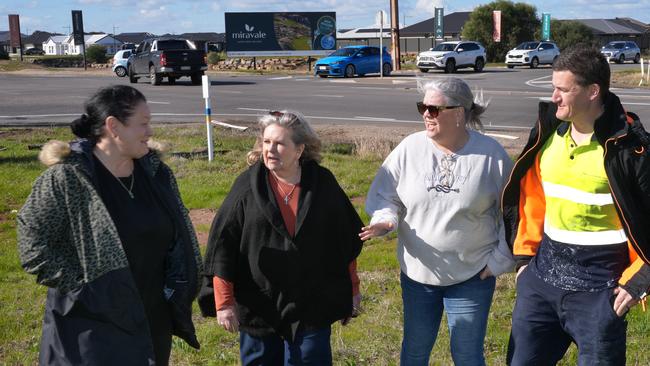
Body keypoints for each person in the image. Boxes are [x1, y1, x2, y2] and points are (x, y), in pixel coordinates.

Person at [17, 85, 203, 365]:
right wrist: (86, 290)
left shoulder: (156, 173)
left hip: (152, 318)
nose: (150, 131)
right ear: (113, 127)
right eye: (143, 124)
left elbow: (177, 237)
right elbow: (33, 247)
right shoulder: (67, 178)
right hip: (91, 326)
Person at [503, 44, 650, 365]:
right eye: (553, 88)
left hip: (601, 288)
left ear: (593, 91)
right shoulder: (547, 133)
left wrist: (641, 280)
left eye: (563, 90)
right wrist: (524, 261)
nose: (554, 97)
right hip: (540, 283)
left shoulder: (630, 149)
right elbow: (531, 200)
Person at [361, 77, 515, 366]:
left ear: (459, 113)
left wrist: (499, 261)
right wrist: (386, 220)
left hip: (472, 275)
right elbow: (386, 196)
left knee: (467, 355)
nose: (425, 115)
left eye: (434, 109)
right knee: (415, 351)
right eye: (423, 107)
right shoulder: (409, 149)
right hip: (419, 276)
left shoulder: (490, 156)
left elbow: (514, 213)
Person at [199, 110, 364, 365]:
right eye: (266, 142)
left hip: (311, 305)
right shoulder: (246, 187)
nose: (270, 149)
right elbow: (223, 246)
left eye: (279, 143)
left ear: (299, 150)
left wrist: (351, 290)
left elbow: (344, 243)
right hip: (259, 306)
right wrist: (224, 301)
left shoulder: (322, 184)